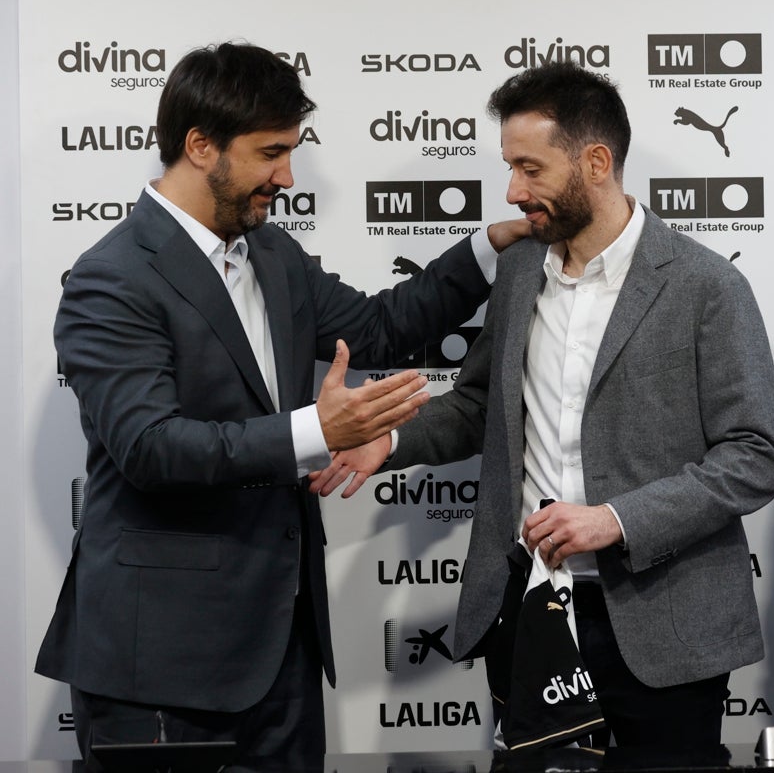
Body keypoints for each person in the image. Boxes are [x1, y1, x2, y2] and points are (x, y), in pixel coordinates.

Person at [36, 42, 528, 769]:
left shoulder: (271, 254)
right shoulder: (111, 279)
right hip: (162, 669)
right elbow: (150, 448)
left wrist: (491, 248)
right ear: (201, 146)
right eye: (271, 153)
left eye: (291, 152)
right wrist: (315, 430)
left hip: (283, 655)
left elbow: (380, 328)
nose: (287, 178)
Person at [309, 62, 774, 749]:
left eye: (530, 169)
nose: (513, 190)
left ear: (596, 162)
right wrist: (387, 441)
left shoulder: (706, 286)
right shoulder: (516, 272)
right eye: (511, 167)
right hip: (528, 613)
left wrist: (616, 520)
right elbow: (478, 404)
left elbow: (758, 454)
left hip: (664, 628)